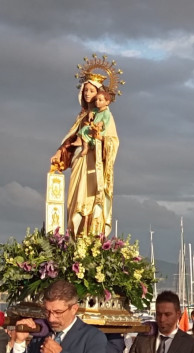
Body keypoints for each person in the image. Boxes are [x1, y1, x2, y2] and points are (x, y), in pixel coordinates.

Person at [51, 76, 120, 237]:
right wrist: (59, 152)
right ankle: (73, 236)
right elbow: (72, 138)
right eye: (86, 90)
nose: (87, 94)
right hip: (80, 160)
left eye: (92, 91)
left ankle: (89, 235)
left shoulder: (106, 116)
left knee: (89, 197)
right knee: (75, 197)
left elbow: (113, 141)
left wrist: (99, 138)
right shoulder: (82, 117)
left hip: (94, 162)